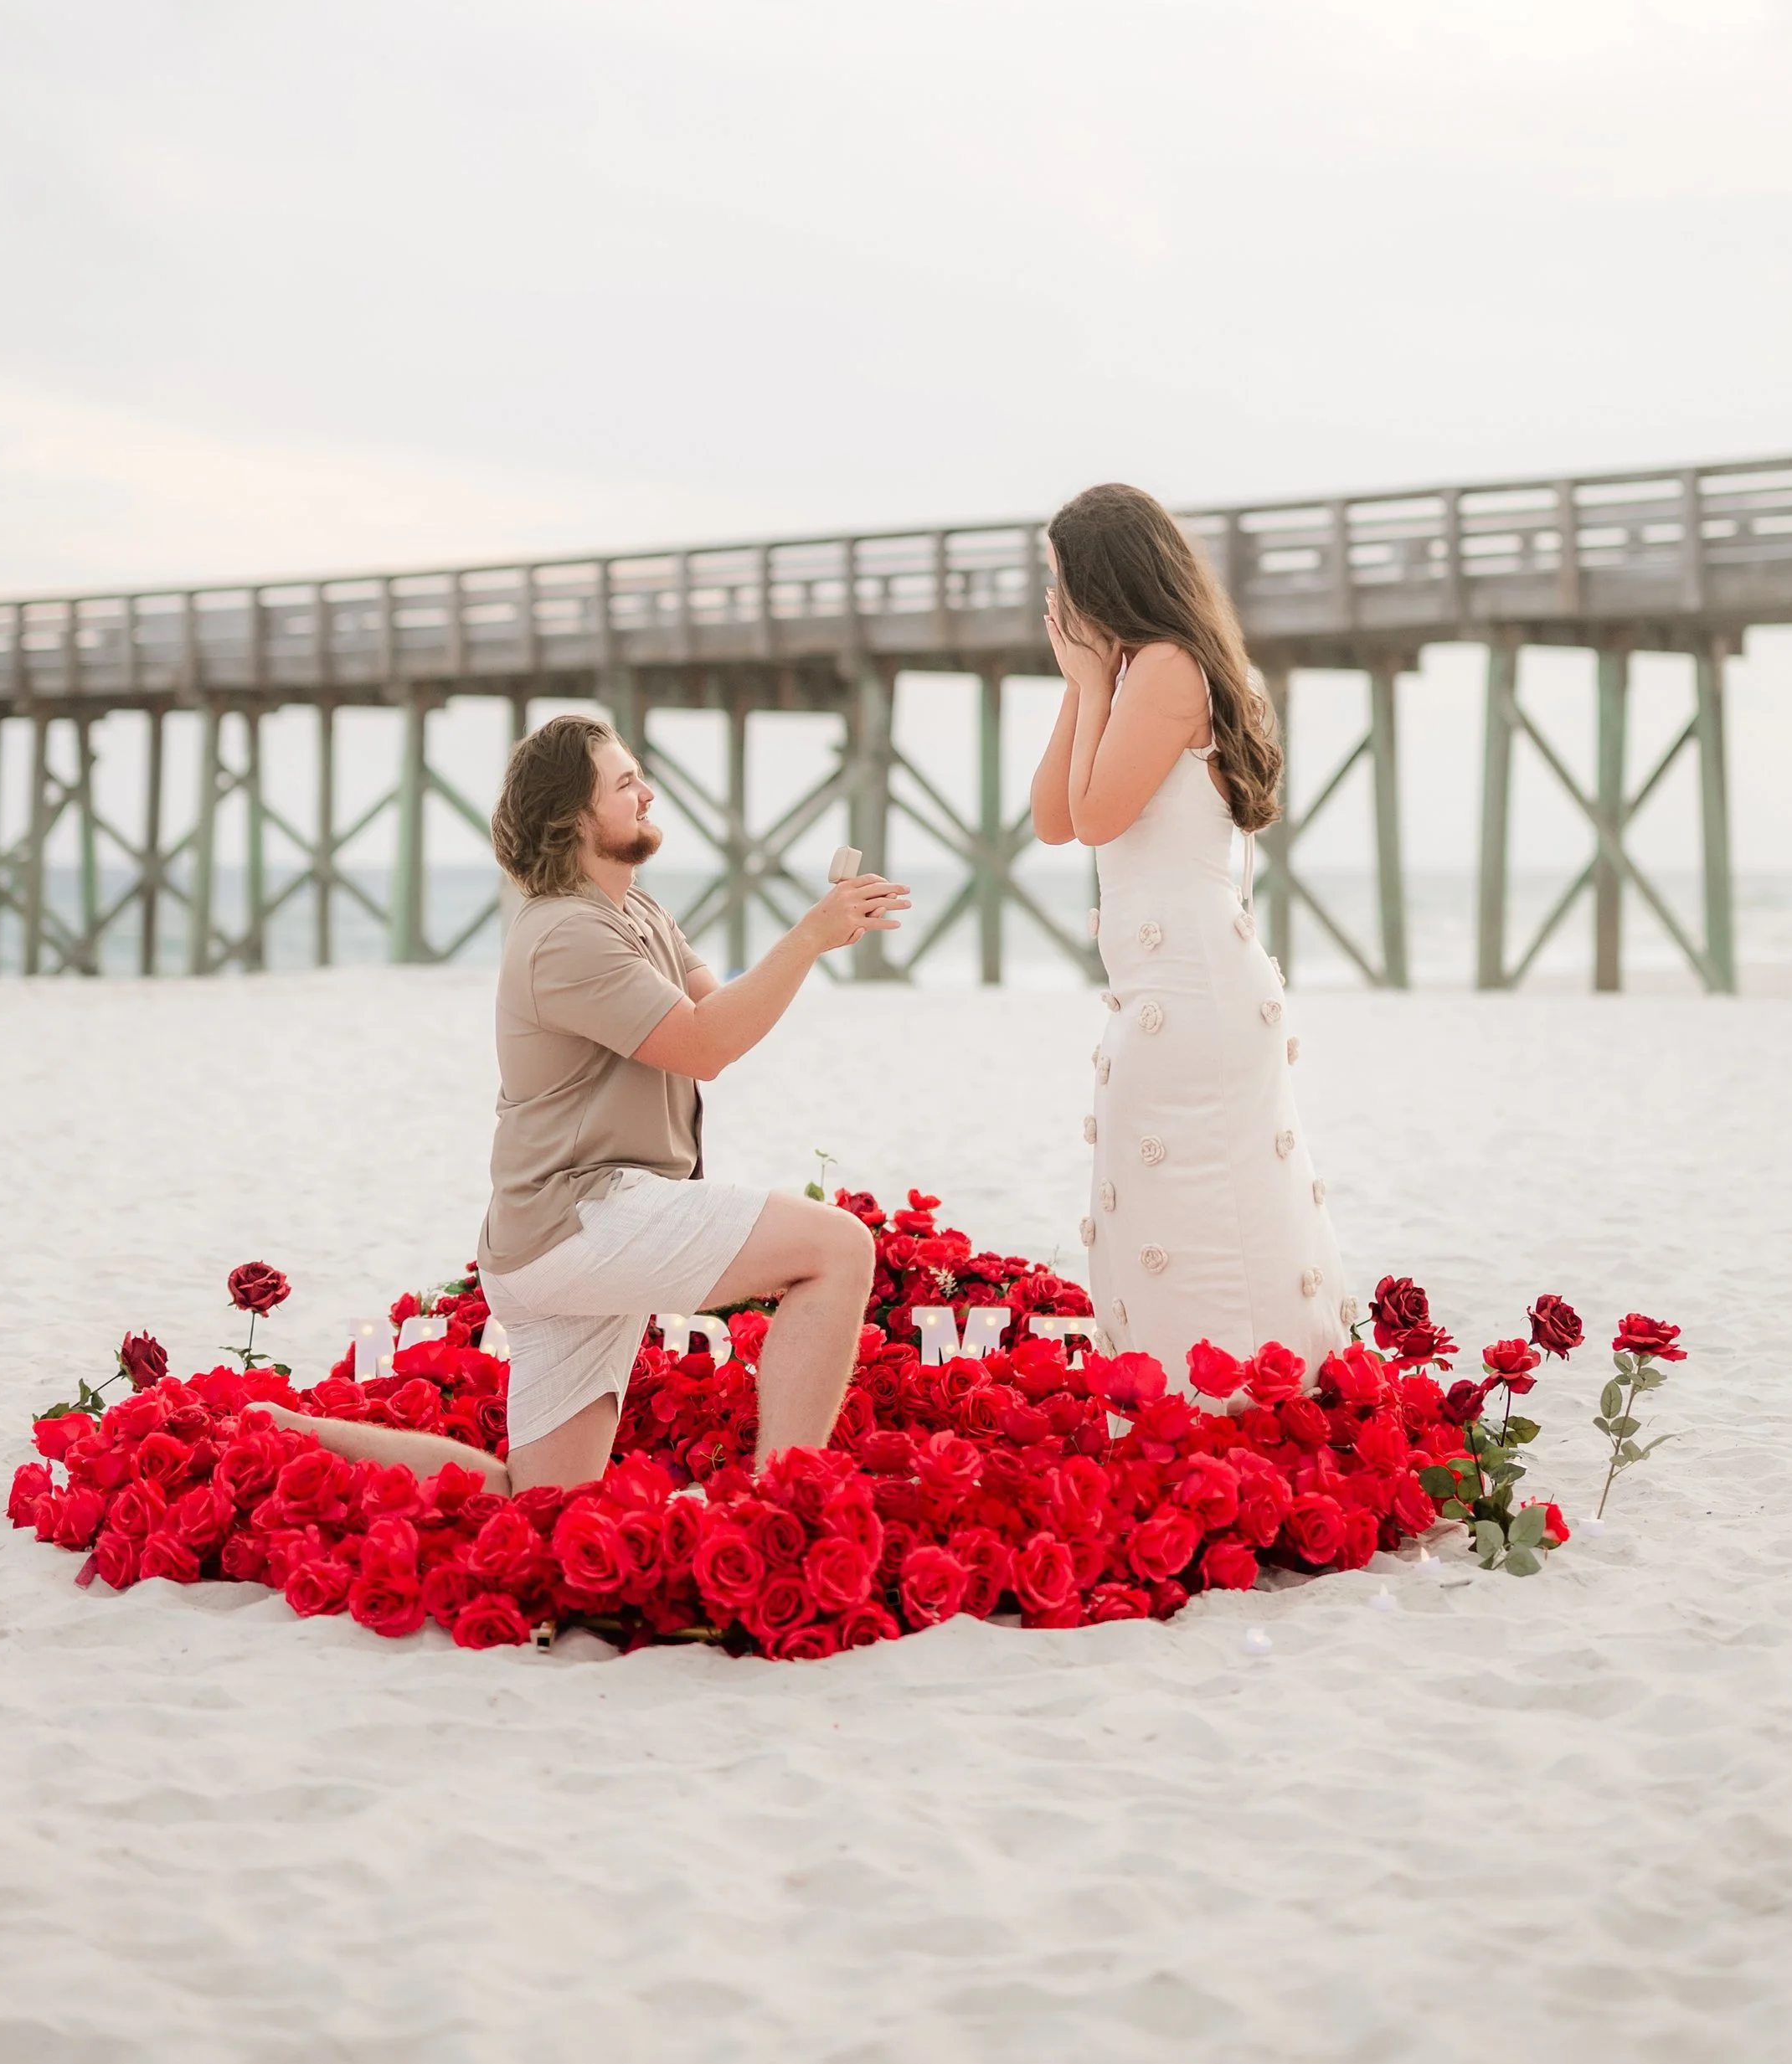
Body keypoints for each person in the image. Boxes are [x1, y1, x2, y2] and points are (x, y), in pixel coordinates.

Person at [265, 713, 907, 1496]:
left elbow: (721, 1015)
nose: (648, 791)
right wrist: (806, 937)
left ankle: (279, 1432)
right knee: (838, 1249)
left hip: (557, 1237)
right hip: (582, 1220)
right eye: (624, 782)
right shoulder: (566, 932)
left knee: (530, 1501)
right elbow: (705, 1045)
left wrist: (816, 937)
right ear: (575, 817)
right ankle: (783, 1504)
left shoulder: (636, 912)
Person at [1031, 482, 1353, 1392]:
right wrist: (1080, 687)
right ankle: (1181, 1407)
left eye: (1061, 579)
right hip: (1159, 988)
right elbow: (1053, 818)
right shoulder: (1132, 673)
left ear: (1103, 579)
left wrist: (1096, 683)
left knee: (1201, 1204)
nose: (1053, 603)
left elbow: (1095, 817)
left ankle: (1234, 1405)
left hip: (1195, 990)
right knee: (1156, 1200)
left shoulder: (1169, 667)